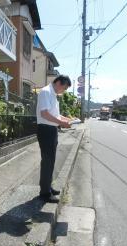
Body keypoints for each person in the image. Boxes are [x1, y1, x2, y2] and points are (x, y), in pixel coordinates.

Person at [36, 75, 72, 203]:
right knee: (47, 161)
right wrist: (61, 123)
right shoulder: (46, 92)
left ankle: (48, 187)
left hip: (51, 130)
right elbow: (44, 114)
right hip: (45, 130)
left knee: (50, 161)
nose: (64, 90)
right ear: (58, 83)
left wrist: (65, 119)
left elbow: (54, 114)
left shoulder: (52, 93)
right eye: (64, 88)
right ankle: (44, 193)